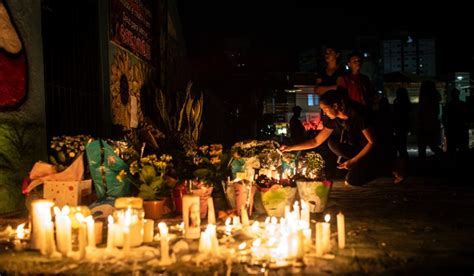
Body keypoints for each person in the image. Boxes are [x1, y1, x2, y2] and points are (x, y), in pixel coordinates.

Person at [280, 90, 388, 186]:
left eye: (326, 110)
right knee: (332, 143)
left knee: (352, 180)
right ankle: (362, 166)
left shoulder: (358, 115)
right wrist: (290, 148)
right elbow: (316, 141)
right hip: (357, 150)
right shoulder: (333, 120)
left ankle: (386, 167)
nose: (325, 114)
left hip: (372, 151)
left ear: (335, 106)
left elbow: (372, 142)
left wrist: (353, 161)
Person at [416, 80, 443, 159]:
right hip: (432, 125)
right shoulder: (435, 98)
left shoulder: (425, 99)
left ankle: (423, 166)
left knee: (422, 148)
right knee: (433, 146)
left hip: (424, 126)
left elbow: (423, 113)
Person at [442, 88, 469, 156]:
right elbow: (467, 117)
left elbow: (444, 118)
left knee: (451, 149)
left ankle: (451, 164)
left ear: (451, 95)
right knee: (462, 149)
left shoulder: (448, 105)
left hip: (451, 129)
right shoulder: (463, 105)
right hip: (461, 129)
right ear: (458, 94)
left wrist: (446, 127)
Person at [392, 87, 412, 159]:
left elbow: (395, 115)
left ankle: (402, 161)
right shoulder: (407, 103)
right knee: (403, 144)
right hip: (404, 125)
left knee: (399, 144)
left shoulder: (396, 102)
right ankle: (404, 160)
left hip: (398, 125)